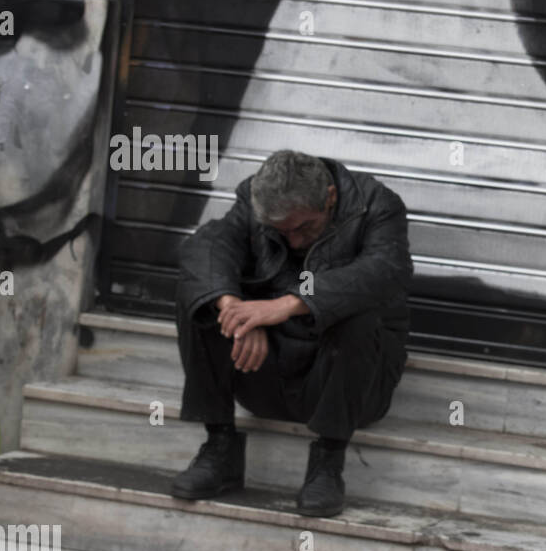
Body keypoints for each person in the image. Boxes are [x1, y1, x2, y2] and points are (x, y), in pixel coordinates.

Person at [171, 149, 412, 517]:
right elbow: (207, 246)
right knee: (202, 298)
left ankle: (328, 463)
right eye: (282, 232)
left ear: (330, 197)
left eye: (305, 228)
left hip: (350, 386)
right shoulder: (253, 199)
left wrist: (283, 305)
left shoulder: (378, 205)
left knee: (358, 314)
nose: (295, 241)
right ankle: (220, 449)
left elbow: (384, 271)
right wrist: (235, 312)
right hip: (268, 372)